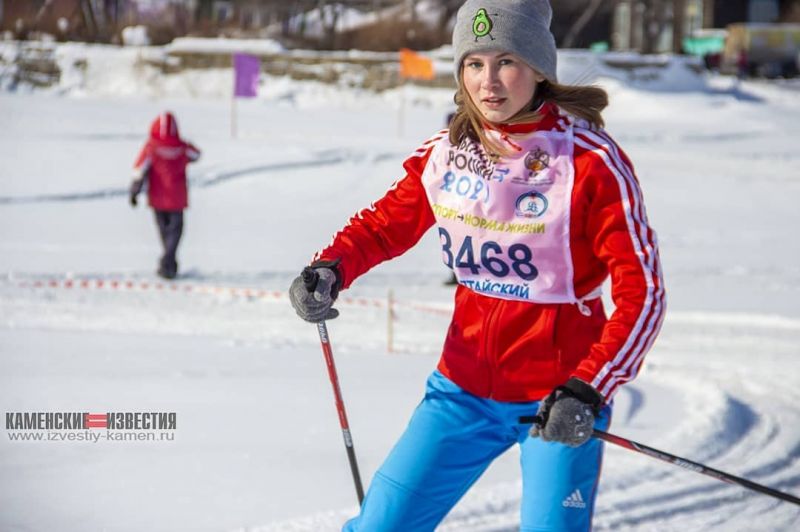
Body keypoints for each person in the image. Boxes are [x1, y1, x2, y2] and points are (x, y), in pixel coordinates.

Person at [289, 0, 666, 530]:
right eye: (474, 63)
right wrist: (332, 267)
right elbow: (383, 226)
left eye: (506, 61)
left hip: (558, 398)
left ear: (539, 68)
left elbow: (642, 293)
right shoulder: (447, 153)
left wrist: (589, 387)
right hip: (461, 392)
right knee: (380, 526)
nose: (488, 82)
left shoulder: (589, 161)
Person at [129, 112, 200, 280]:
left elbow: (139, 170)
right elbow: (196, 155)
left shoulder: (151, 148)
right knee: (175, 232)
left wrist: (134, 191)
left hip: (157, 198)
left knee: (164, 232)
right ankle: (169, 263)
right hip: (177, 198)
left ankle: (168, 264)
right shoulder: (182, 147)